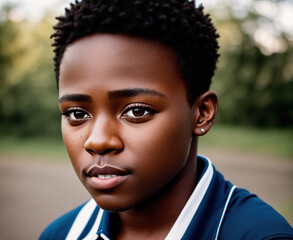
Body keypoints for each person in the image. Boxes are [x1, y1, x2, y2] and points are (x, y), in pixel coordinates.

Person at [40, 0, 293, 239]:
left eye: (137, 111)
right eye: (77, 114)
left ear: (202, 113)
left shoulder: (262, 235)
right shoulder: (61, 234)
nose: (98, 141)